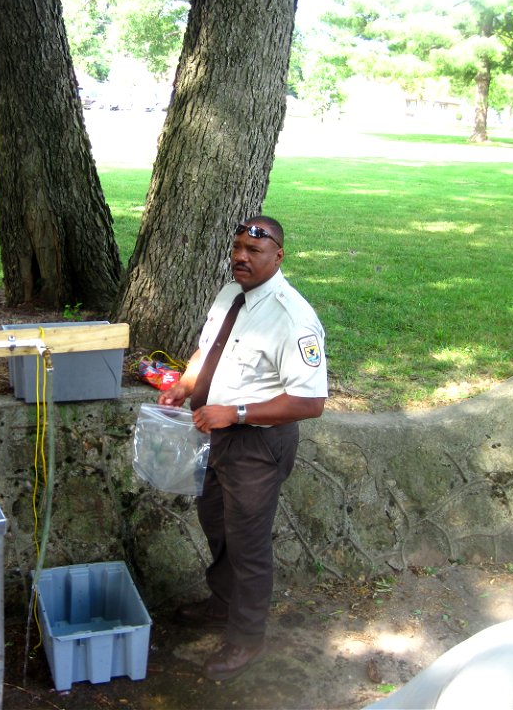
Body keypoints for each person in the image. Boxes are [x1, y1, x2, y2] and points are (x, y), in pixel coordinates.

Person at [158, 215, 327, 681]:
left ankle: (246, 639)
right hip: (213, 437)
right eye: (237, 248)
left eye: (254, 251)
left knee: (248, 544)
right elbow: (205, 350)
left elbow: (310, 402)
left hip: (256, 445)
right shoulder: (231, 293)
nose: (240, 257)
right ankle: (223, 604)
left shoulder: (293, 317)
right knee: (215, 521)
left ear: (279, 255)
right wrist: (184, 386)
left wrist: (235, 413)